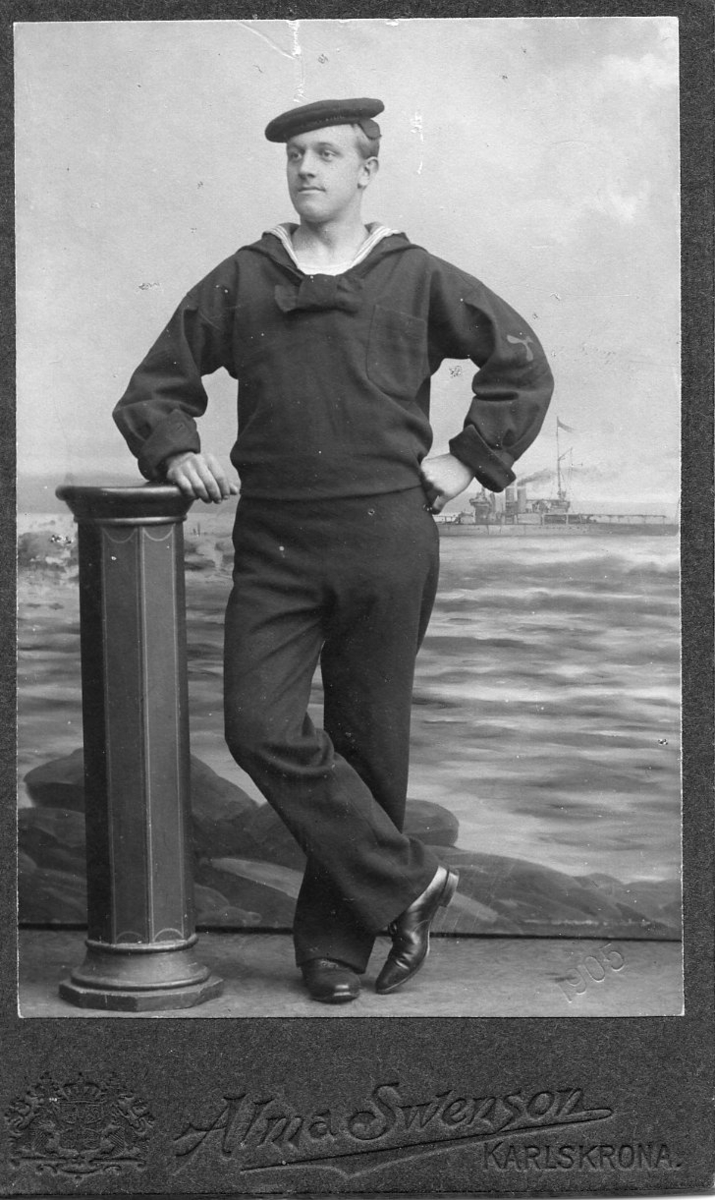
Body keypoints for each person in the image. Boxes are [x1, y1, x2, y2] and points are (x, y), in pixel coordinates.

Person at [113, 97, 553, 1004]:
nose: (306, 169)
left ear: (366, 170)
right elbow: (156, 387)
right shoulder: (245, 276)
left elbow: (520, 364)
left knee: (369, 742)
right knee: (258, 726)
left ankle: (335, 947)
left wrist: (467, 460)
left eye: (326, 154)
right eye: (295, 156)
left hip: (387, 535)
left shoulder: (416, 275)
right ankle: (410, 883)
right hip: (276, 540)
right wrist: (176, 448)